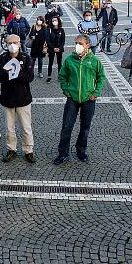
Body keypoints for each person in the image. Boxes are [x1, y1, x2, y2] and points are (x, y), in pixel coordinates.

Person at [54, 34, 106, 165]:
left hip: (89, 99)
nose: (77, 45)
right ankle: (63, 153)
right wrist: (66, 90)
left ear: (88, 45)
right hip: (72, 99)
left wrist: (96, 92)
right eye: (76, 42)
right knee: (66, 126)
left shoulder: (94, 60)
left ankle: (81, 151)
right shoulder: (70, 59)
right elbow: (62, 76)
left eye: (80, 43)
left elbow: (101, 78)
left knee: (85, 127)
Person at [0, 35, 36, 163]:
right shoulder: (2, 58)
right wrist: (7, 72)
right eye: (9, 43)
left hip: (23, 98)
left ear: (19, 44)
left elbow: (29, 78)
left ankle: (29, 150)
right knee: (9, 127)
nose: (12, 45)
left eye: (15, 42)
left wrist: (17, 72)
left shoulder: (26, 58)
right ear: (6, 44)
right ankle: (11, 149)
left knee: (26, 127)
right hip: (7, 98)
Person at [46, 16, 66, 83]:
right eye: (53, 20)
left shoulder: (61, 30)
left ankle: (60, 76)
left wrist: (59, 48)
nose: (54, 22)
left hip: (59, 49)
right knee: (50, 62)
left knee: (59, 63)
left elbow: (63, 40)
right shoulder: (49, 30)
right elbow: (48, 40)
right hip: (51, 49)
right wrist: (53, 48)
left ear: (58, 21)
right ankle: (49, 76)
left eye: (56, 20)